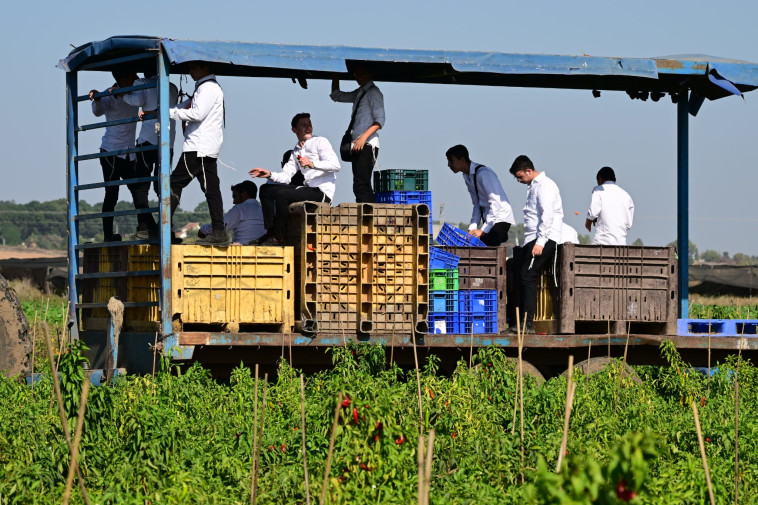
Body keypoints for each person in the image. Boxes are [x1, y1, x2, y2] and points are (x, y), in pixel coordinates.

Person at [249, 113, 340, 245]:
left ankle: (278, 237)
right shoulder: (296, 151)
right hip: (308, 189)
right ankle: (270, 232)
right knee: (265, 189)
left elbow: (336, 165)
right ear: (294, 130)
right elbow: (286, 176)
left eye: (309, 124)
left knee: (282, 195)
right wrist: (269, 174)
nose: (308, 127)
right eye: (303, 125)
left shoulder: (320, 141)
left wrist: (313, 164)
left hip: (322, 192)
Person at [164, 61, 226, 246]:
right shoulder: (205, 87)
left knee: (174, 183)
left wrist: (168, 114)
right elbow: (185, 106)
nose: (191, 72)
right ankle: (219, 232)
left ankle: (164, 229)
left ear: (206, 68)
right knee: (212, 190)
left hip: (198, 146)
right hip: (206, 147)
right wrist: (166, 111)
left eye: (194, 68)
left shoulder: (207, 88)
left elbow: (196, 113)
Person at [508, 155, 565, 334]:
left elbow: (547, 215)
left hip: (544, 238)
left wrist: (540, 241)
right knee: (520, 273)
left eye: (520, 177)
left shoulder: (545, 186)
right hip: (533, 238)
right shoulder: (533, 186)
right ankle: (519, 321)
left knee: (527, 275)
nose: (519, 181)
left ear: (529, 171)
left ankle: (527, 324)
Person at [123, 69, 179, 238]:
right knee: (162, 184)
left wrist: (121, 93)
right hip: (167, 140)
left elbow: (136, 100)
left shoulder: (142, 83)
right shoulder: (172, 87)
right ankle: (166, 226)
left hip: (147, 139)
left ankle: (144, 227)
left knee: (141, 185)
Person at [89, 69, 143, 243]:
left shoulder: (134, 94)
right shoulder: (109, 95)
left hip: (129, 152)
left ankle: (145, 228)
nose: (136, 79)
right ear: (122, 78)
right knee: (112, 194)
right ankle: (108, 235)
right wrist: (96, 97)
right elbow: (97, 111)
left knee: (138, 192)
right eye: (133, 76)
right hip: (111, 151)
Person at [330, 65, 385, 203]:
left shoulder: (374, 92)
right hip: (358, 144)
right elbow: (337, 96)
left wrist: (363, 138)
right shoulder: (361, 92)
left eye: (362, 73)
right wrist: (336, 74)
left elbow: (380, 120)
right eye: (356, 74)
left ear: (371, 73)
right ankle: (367, 215)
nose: (358, 76)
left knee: (362, 183)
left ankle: (368, 217)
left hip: (366, 144)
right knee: (359, 183)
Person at [445, 144, 515, 246]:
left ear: (462, 160)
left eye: (451, 160)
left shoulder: (483, 173)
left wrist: (483, 231)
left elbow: (495, 203)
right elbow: (477, 204)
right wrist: (472, 228)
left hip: (500, 218)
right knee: (477, 247)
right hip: (490, 219)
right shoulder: (467, 176)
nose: (448, 164)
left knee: (485, 248)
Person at [197, 181, 265, 245]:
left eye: (235, 196)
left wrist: (202, 230)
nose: (234, 202)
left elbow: (219, 228)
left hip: (242, 251)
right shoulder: (264, 211)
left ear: (244, 194)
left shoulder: (239, 209)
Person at [585, 166, 635, 245]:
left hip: (602, 243)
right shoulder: (626, 195)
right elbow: (628, 225)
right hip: (621, 245)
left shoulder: (599, 189)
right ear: (615, 180)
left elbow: (592, 213)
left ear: (600, 179)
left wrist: (588, 223)